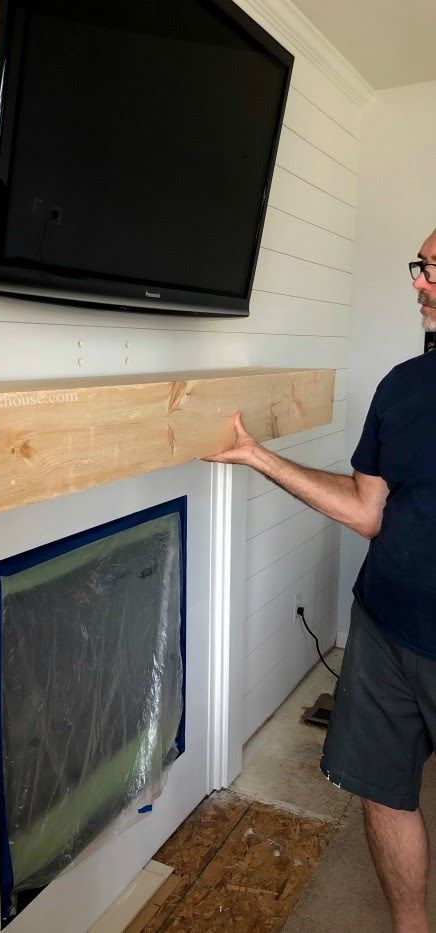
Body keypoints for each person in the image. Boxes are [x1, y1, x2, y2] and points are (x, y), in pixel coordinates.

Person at [203, 228, 436, 933]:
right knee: (383, 790)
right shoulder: (404, 386)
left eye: (432, 269)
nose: (420, 283)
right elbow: (369, 513)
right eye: (420, 267)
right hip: (386, 630)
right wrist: (258, 457)